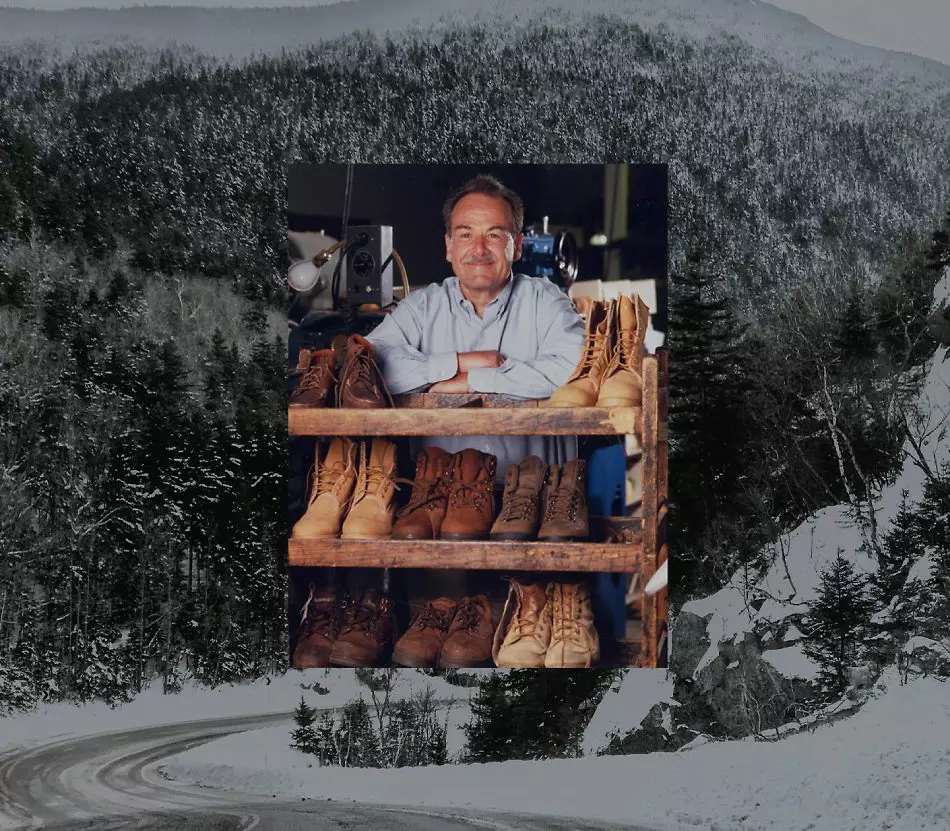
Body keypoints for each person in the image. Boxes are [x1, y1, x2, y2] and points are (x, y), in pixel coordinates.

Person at [367, 173, 585, 477]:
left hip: (537, 504)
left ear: (517, 246)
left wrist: (470, 381)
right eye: (466, 234)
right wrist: (458, 362)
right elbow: (370, 365)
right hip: (439, 505)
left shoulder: (547, 301)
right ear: (448, 246)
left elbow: (575, 371)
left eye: (494, 235)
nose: (479, 249)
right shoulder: (422, 307)